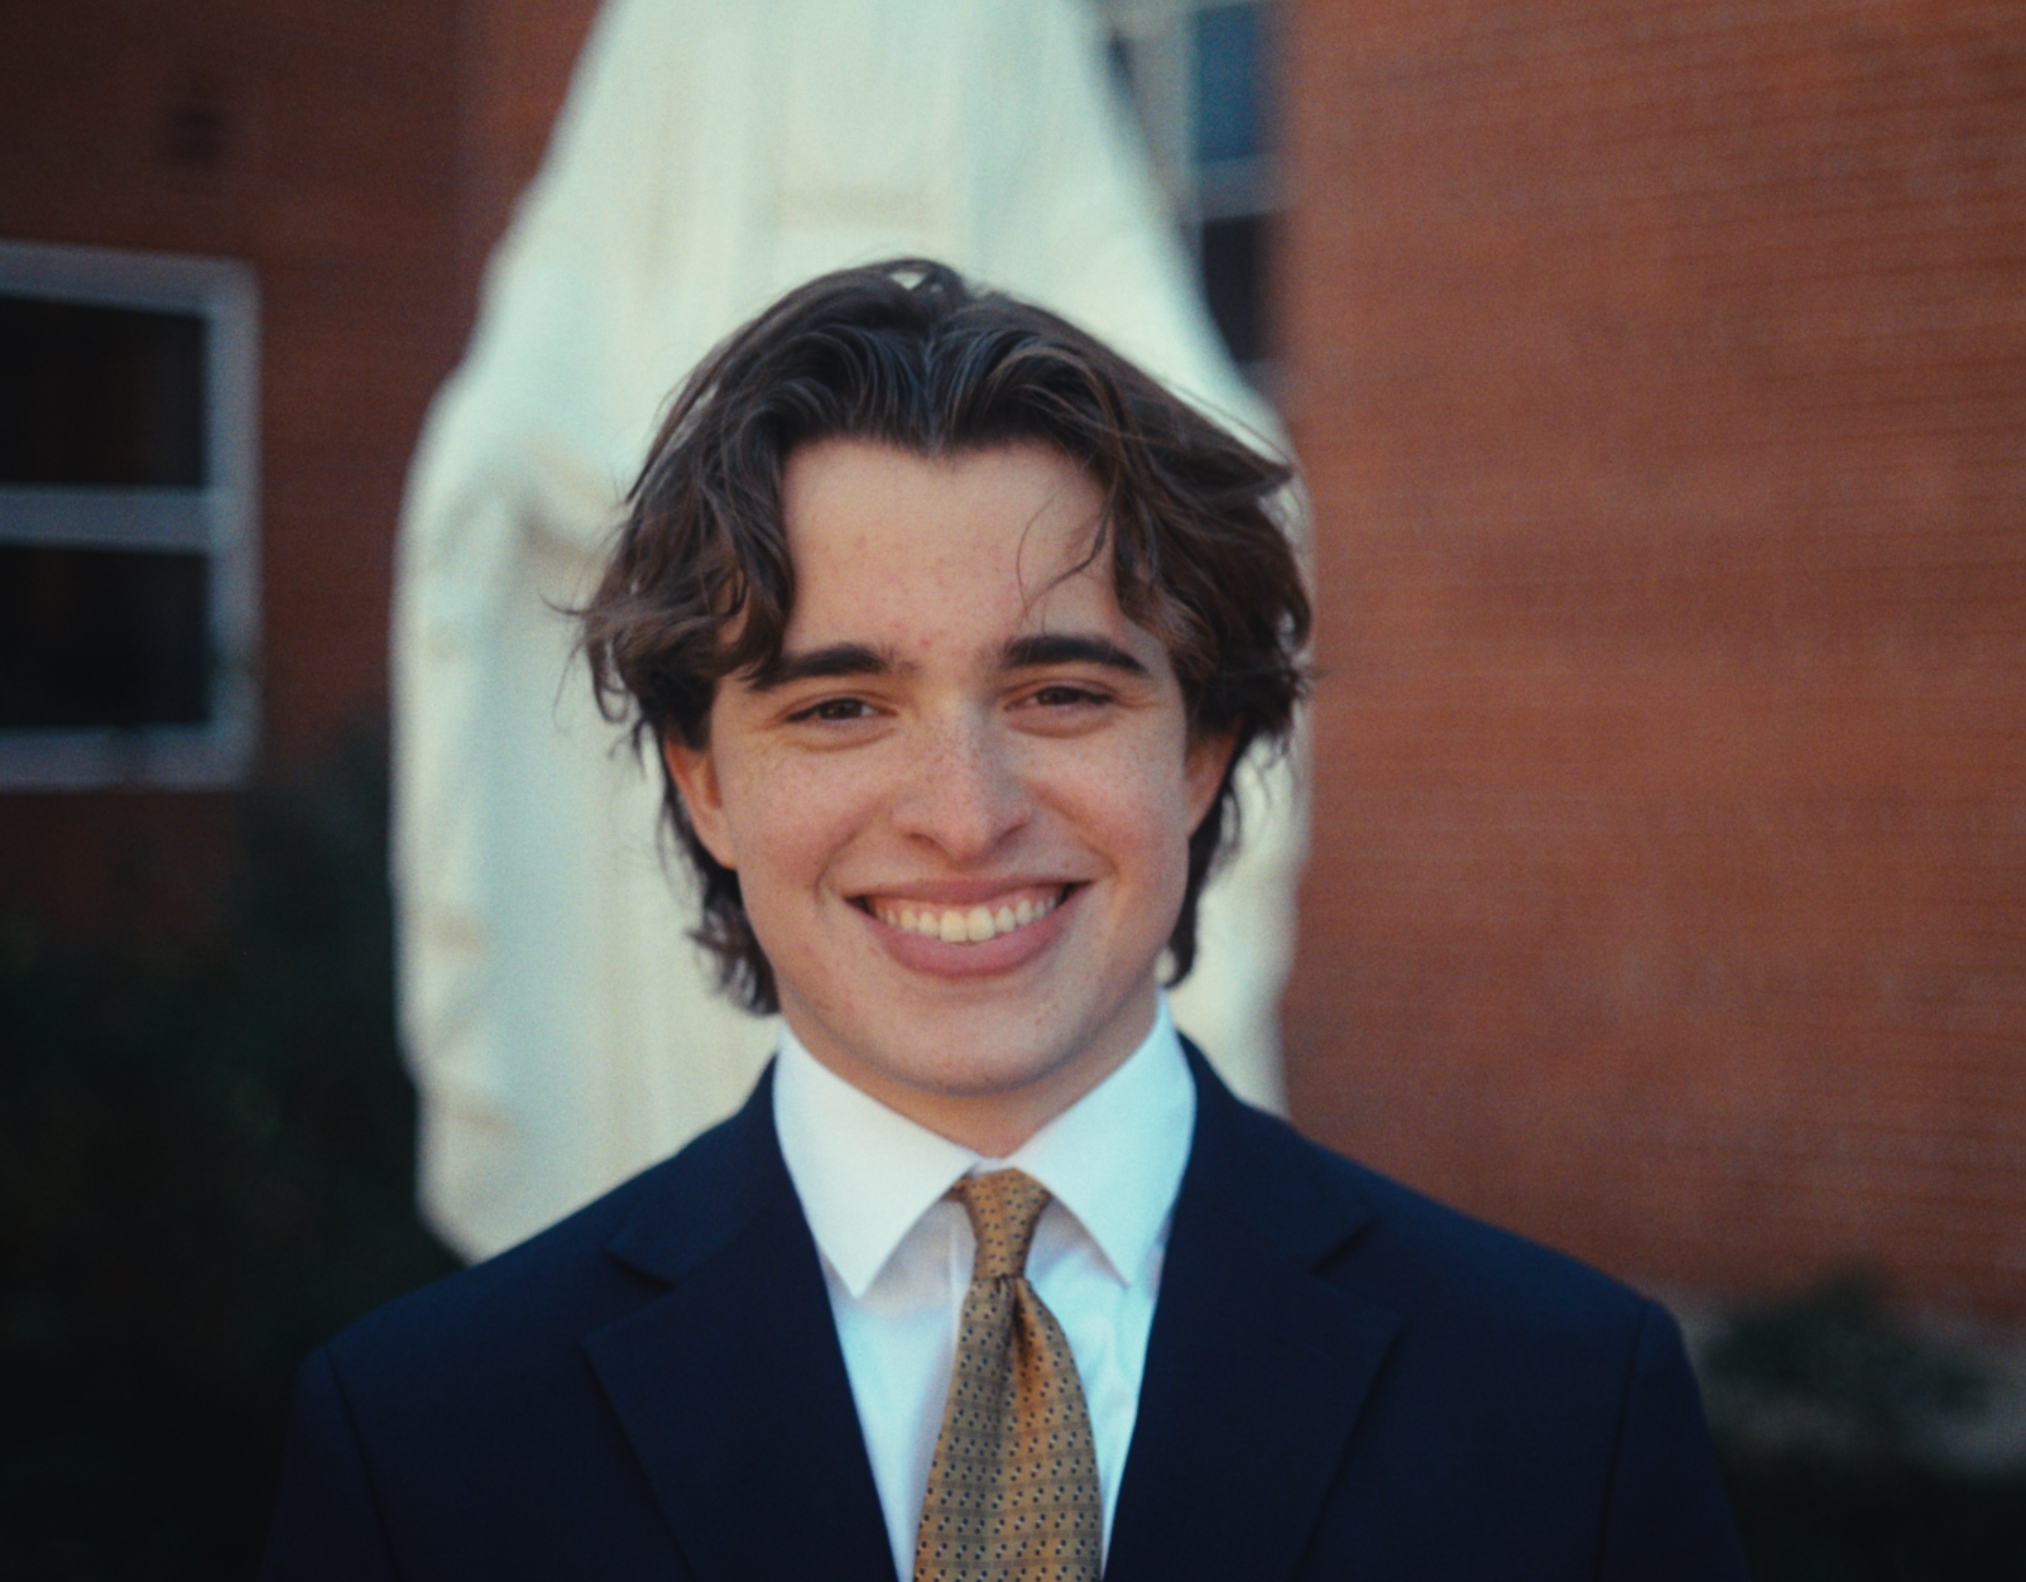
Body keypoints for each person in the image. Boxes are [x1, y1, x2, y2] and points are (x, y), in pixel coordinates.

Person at [261, 261, 1749, 1581]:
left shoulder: (1568, 1402)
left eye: (1061, 694)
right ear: (703, 780)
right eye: (841, 705)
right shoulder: (425, 1442)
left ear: (1204, 749)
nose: (964, 814)